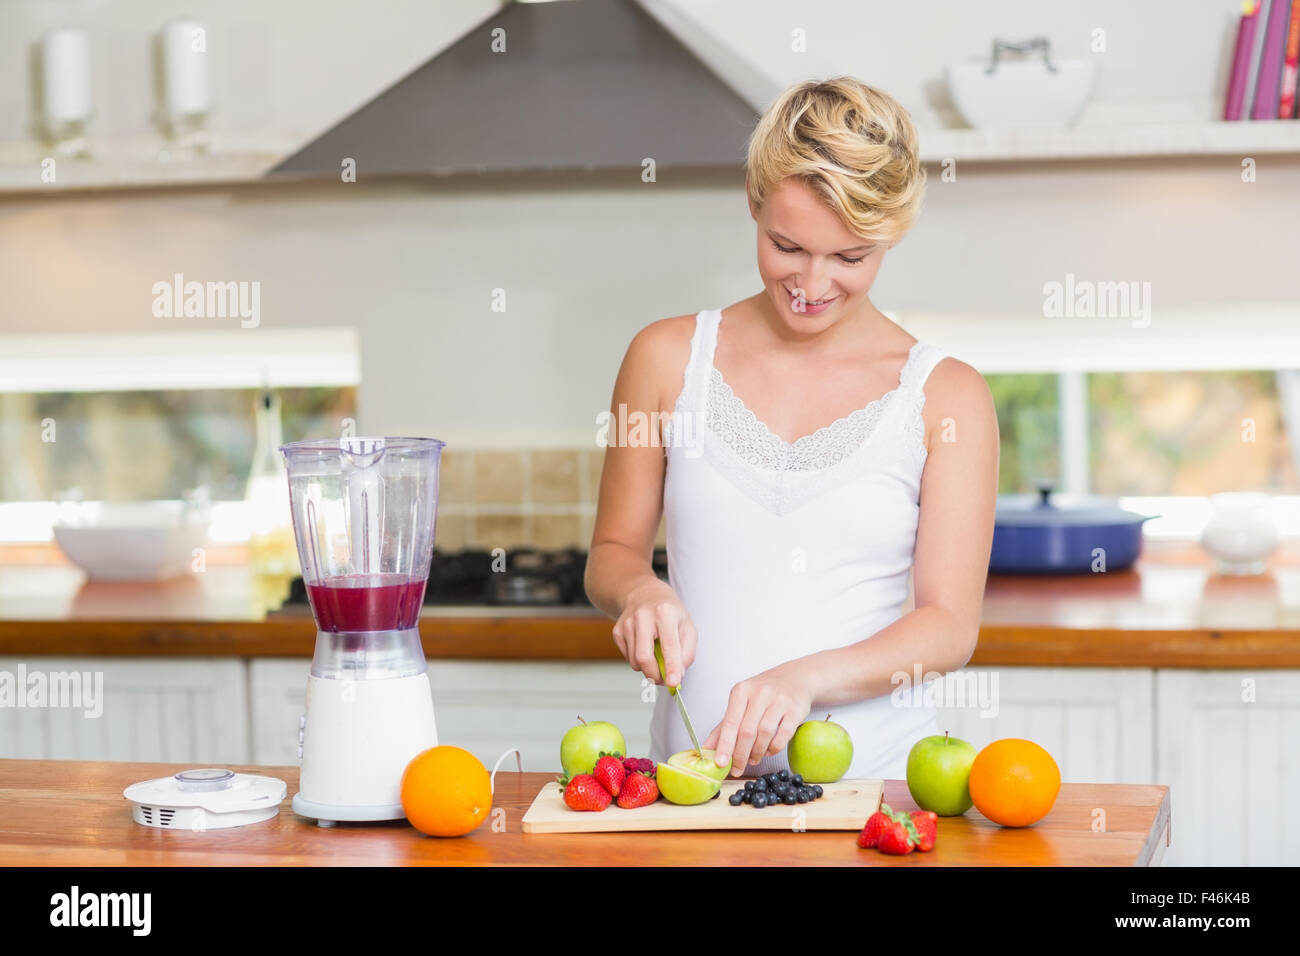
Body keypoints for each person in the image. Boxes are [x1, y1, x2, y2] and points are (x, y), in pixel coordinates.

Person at [584, 77, 999, 780]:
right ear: (753, 201)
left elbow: (949, 625)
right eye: (787, 246)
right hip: (692, 797)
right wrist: (640, 592)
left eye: (849, 257)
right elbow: (613, 551)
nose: (811, 283)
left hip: (875, 799)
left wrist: (804, 679)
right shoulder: (665, 358)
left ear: (890, 236)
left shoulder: (945, 396)